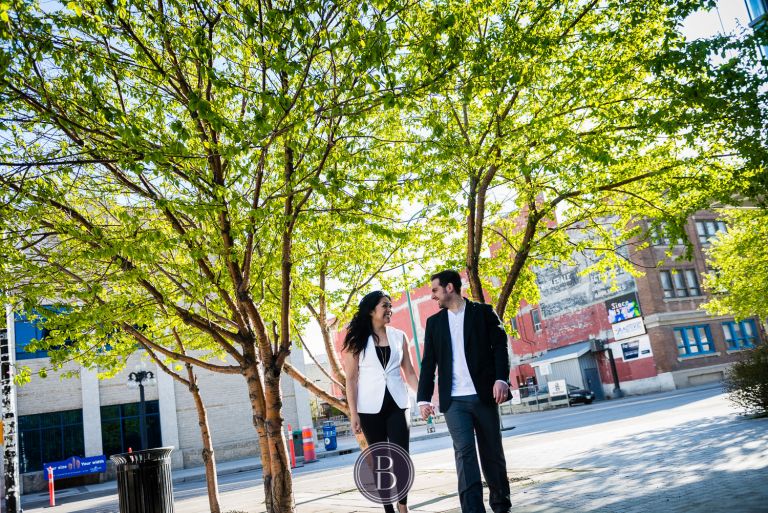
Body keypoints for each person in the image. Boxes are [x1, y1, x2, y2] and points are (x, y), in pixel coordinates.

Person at [417, 270, 512, 513]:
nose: (432, 296)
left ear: (450, 288)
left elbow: (501, 346)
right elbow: (429, 363)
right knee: (464, 455)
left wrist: (502, 379)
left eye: (435, 290)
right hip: (454, 402)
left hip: (484, 396)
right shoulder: (434, 323)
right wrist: (423, 399)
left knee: (492, 452)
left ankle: (501, 506)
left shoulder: (483, 312)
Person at [343, 290, 420, 513]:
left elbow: (410, 372)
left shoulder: (399, 336)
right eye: (384, 306)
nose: (389, 309)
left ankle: (403, 506)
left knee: (401, 457)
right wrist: (354, 413)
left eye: (390, 305)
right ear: (371, 311)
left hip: (398, 403)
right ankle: (389, 510)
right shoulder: (356, 341)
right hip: (369, 409)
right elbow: (351, 379)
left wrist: (425, 397)